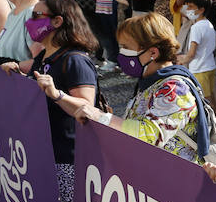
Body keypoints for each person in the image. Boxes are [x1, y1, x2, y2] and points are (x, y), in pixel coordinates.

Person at [48, 13, 207, 164]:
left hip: (175, 182)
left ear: (153, 52)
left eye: (125, 46)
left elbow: (148, 135)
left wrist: (101, 117)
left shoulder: (175, 89)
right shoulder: (152, 81)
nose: (121, 52)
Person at [20, 0, 100, 202]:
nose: (30, 21)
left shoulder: (75, 60)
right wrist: (10, 67)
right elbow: (28, 70)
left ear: (57, 21)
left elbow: (87, 107)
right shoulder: (45, 56)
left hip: (69, 158)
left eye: (37, 16)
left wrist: (57, 94)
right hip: (48, 152)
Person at [180, 0, 216, 114]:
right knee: (211, 98)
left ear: (201, 9)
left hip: (199, 68)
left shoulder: (196, 27)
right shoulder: (208, 24)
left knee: (204, 101)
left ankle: (211, 125)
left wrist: (182, 60)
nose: (188, 10)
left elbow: (192, 52)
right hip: (208, 66)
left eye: (191, 7)